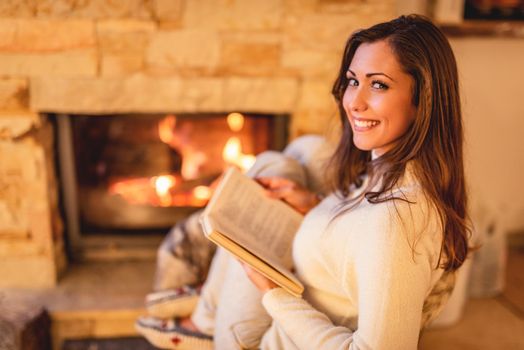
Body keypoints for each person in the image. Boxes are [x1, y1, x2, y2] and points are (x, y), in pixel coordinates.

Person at [138, 14, 474, 349]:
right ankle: (209, 307)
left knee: (272, 166)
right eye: (353, 81)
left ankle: (203, 322)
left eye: (379, 84)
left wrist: (273, 293)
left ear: (423, 101)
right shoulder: (400, 170)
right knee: (303, 152)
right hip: (305, 284)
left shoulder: (396, 223)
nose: (354, 103)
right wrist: (312, 204)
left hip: (258, 341)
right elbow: (355, 238)